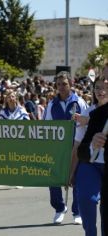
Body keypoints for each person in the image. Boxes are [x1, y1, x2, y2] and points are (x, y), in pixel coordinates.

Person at [43, 71, 87, 225]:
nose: (61, 87)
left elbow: (86, 124)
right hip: (57, 149)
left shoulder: (79, 102)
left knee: (77, 179)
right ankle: (59, 209)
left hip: (76, 146)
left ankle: (77, 211)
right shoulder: (51, 104)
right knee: (54, 179)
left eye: (64, 84)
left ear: (71, 84)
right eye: (59, 84)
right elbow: (46, 127)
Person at [75, 77, 107, 236]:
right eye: (97, 88)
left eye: (105, 87)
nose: (101, 91)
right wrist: (70, 172)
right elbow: (77, 144)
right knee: (86, 199)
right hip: (91, 163)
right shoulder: (88, 112)